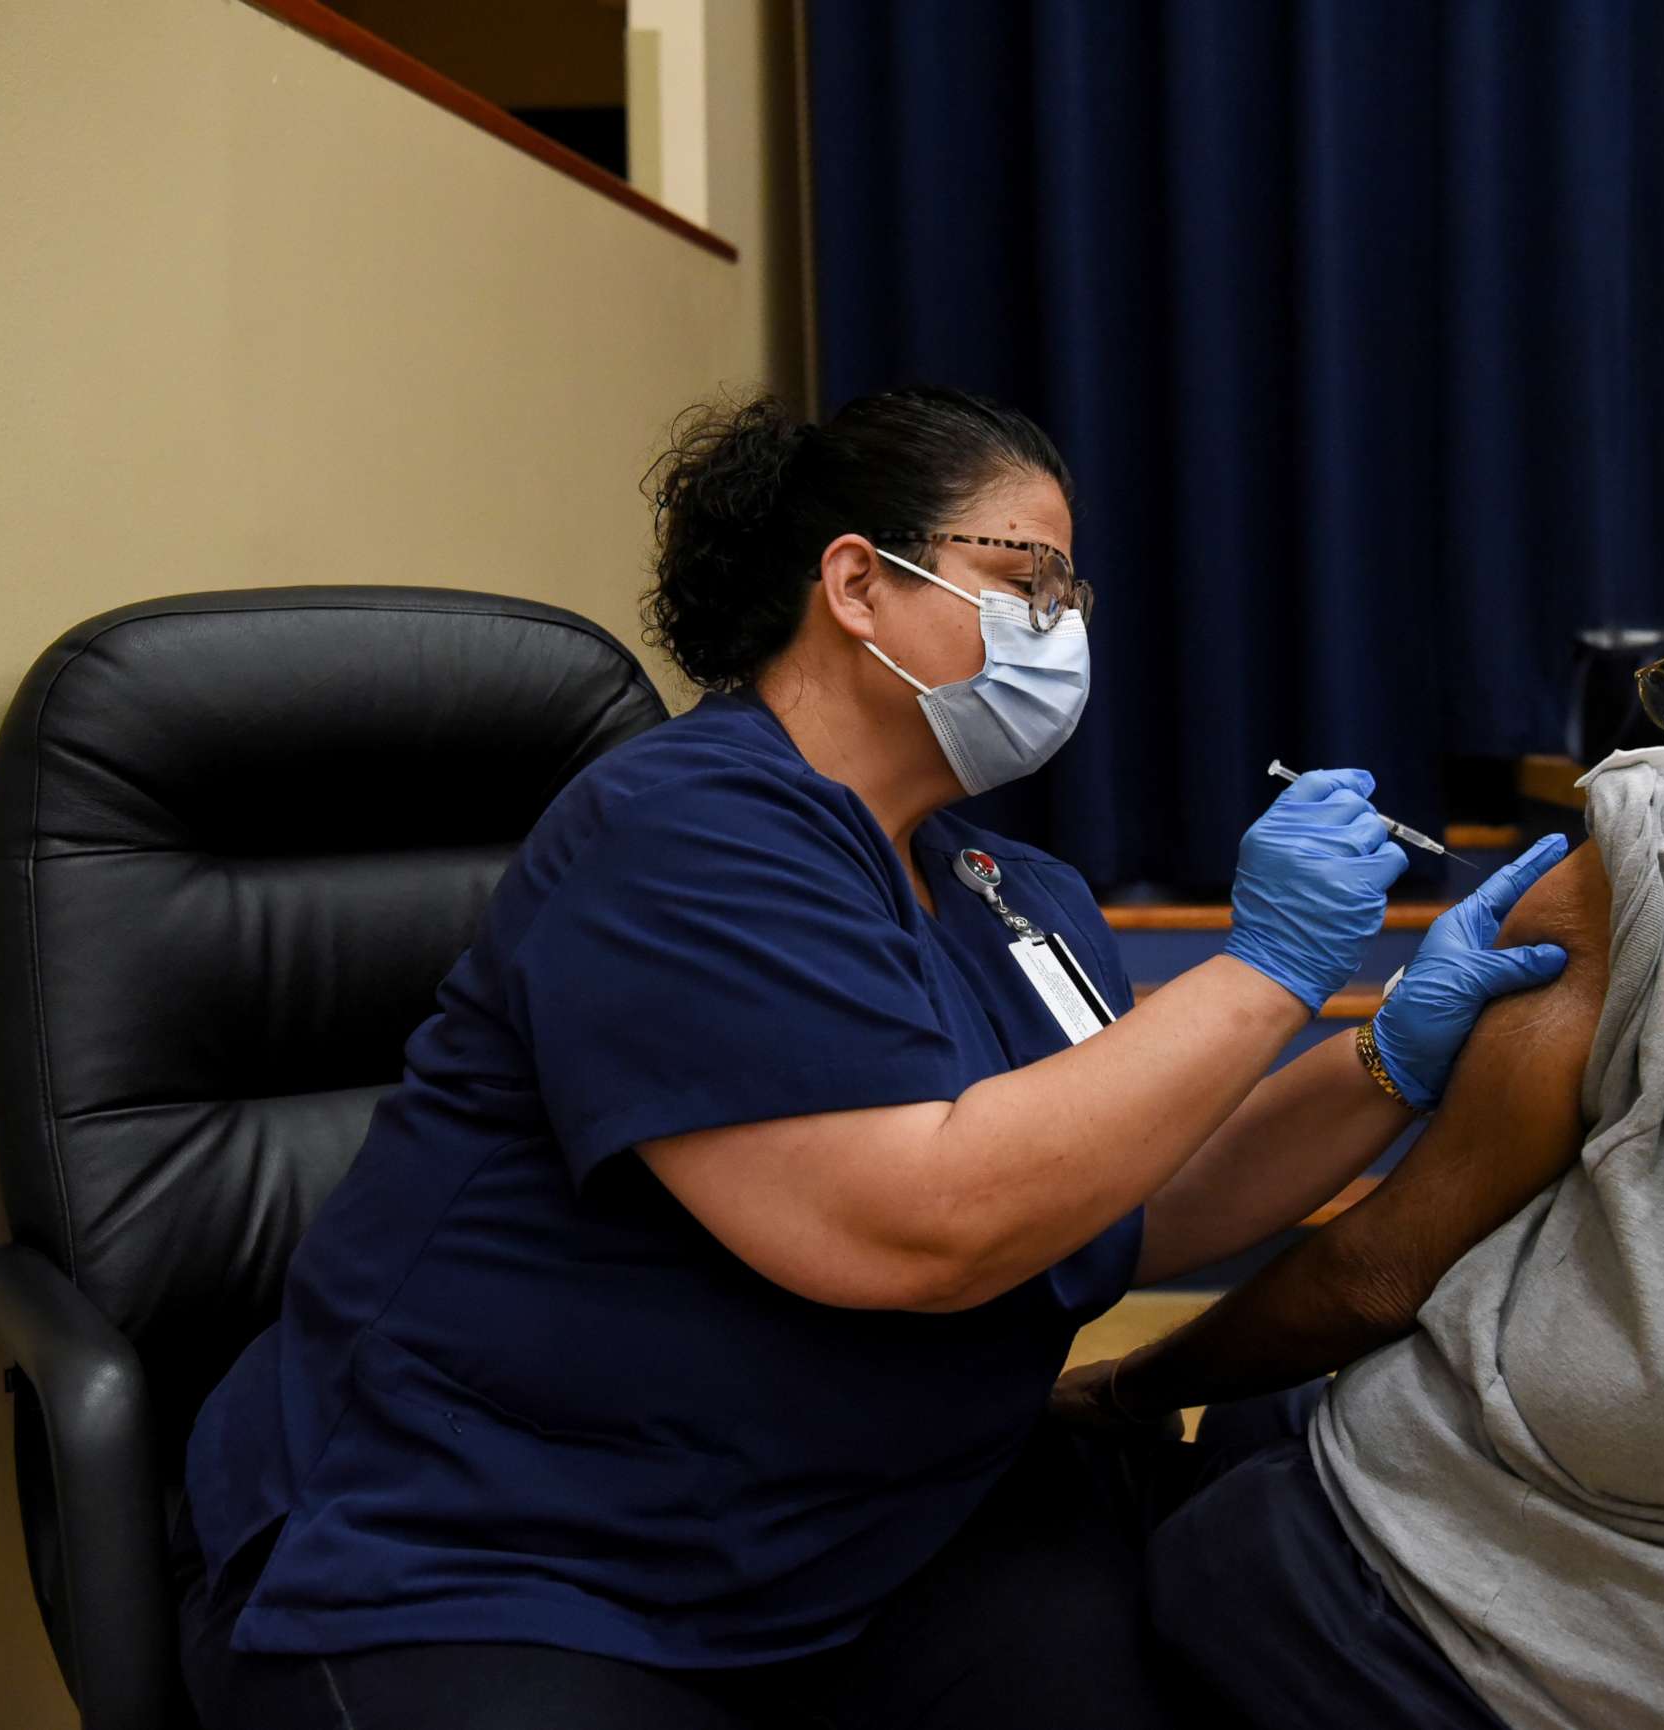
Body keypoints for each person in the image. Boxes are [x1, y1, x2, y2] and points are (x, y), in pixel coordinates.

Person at [170, 385, 1572, 1730]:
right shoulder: (684, 833)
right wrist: (1265, 972)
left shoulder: (1004, 885)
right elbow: (927, 1223)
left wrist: (1380, 1059)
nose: (1062, 628)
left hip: (865, 1534)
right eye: (1030, 580)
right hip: (514, 1555)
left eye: (1072, 597)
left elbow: (1121, 1190)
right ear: (857, 585)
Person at [1057, 751, 1664, 1730]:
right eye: (1027, 587)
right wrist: (1378, 1052)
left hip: (1465, 1606)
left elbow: (1378, 1271)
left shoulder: (1650, 852)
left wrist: (1126, 1383)